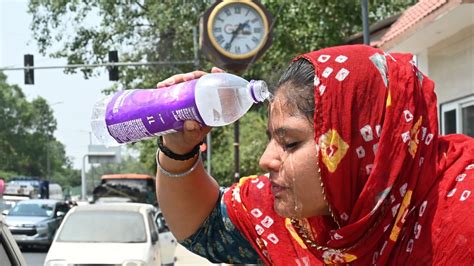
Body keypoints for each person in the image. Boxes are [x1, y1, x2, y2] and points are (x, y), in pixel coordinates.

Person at [155, 45, 474, 265]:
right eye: (271, 139)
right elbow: (205, 227)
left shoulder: (461, 214)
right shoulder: (298, 218)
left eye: (290, 143)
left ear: (365, 148)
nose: (266, 160)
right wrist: (178, 147)